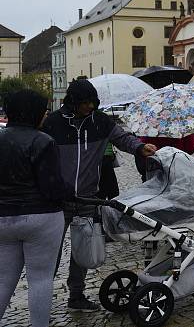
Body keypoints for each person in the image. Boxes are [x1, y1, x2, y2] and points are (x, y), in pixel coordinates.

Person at [41, 79, 156, 312]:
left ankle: (76, 295)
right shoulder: (52, 124)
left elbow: (122, 137)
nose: (89, 107)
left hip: (87, 199)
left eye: (92, 102)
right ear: (72, 102)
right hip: (57, 201)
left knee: (82, 251)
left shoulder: (100, 122)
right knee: (49, 253)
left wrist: (139, 147)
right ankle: (41, 295)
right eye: (85, 103)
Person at [0, 90, 71, 327]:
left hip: (3, 219)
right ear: (34, 113)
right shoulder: (43, 141)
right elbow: (51, 187)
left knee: (3, 280)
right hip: (42, 217)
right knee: (40, 279)